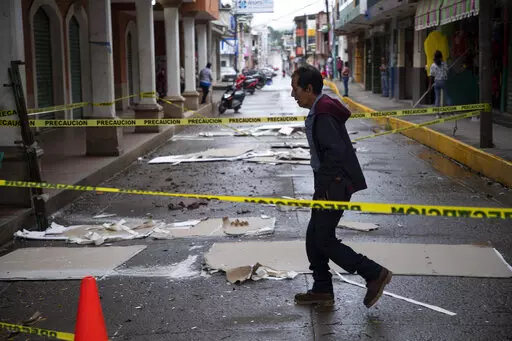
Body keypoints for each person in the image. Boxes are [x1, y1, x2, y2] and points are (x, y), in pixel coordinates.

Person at [290, 65, 392, 308]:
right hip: (329, 183)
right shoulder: (320, 108)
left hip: (333, 184)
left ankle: (373, 273)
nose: (293, 95)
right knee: (314, 237)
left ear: (309, 88)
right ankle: (322, 288)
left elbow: (335, 152)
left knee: (323, 239)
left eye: (295, 89)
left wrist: (325, 187)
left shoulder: (323, 113)